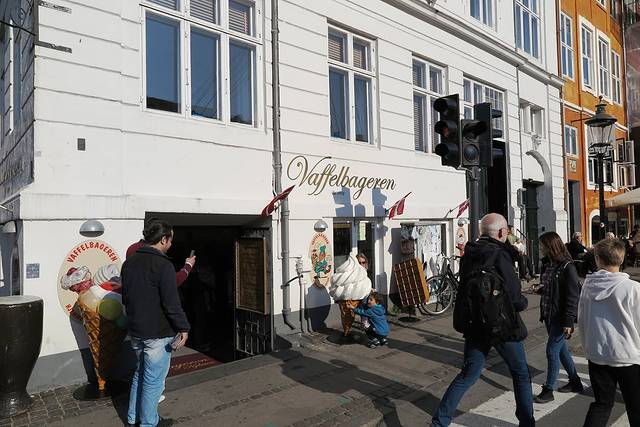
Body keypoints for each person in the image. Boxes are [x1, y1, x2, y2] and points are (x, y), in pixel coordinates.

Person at [431, 213, 534, 427]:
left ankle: (439, 422)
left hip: (475, 324)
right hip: (502, 325)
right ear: (501, 232)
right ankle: (527, 422)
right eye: (507, 231)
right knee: (521, 373)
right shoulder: (500, 254)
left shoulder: (470, 254)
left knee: (468, 374)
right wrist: (523, 303)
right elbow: (515, 296)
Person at [122, 220, 190, 427]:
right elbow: (171, 302)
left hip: (136, 330)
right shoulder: (163, 265)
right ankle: (148, 423)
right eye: (170, 239)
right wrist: (183, 327)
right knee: (153, 381)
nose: (171, 243)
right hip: (157, 333)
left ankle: (133, 418)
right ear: (163, 239)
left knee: (140, 374)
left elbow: (126, 298)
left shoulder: (129, 263)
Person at [578, 238, 640, 427]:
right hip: (628, 355)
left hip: (598, 354)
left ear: (597, 259)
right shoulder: (633, 288)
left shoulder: (587, 287)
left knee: (602, 404)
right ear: (622, 258)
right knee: (636, 407)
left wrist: (587, 347)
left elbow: (582, 319)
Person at [534, 232, 582, 404]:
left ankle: (549, 389)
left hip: (559, 317)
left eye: (542, 245)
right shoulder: (548, 264)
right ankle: (575, 381)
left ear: (551, 246)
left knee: (552, 351)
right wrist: (541, 289)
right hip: (548, 314)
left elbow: (572, 296)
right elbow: (552, 288)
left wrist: (569, 321)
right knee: (562, 351)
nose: (540, 248)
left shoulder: (567, 267)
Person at [127, 219, 196, 286]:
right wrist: (188, 266)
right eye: (170, 240)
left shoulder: (132, 249)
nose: (170, 244)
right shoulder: (158, 260)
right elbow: (172, 282)